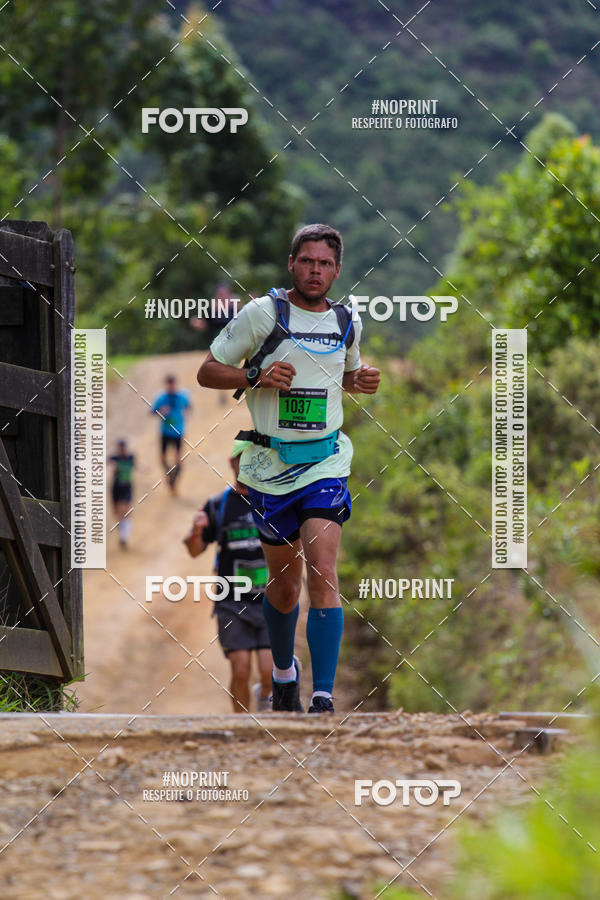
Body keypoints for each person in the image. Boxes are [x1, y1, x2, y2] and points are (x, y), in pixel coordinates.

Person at [197, 223, 380, 713]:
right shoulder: (263, 314)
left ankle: (322, 697)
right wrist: (255, 375)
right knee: (284, 585)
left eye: (324, 264)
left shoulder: (347, 321)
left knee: (322, 570)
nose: (315, 271)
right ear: (292, 264)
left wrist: (359, 380)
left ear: (337, 270)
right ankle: (283, 676)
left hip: (325, 462)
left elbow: (344, 374)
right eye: (307, 261)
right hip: (268, 466)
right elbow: (208, 371)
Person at [183, 440, 274, 713]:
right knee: (241, 668)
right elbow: (195, 551)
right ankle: (242, 724)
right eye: (241, 460)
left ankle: (265, 705)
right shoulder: (218, 505)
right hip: (231, 602)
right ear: (231, 463)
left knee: (269, 671)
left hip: (269, 601)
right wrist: (196, 532)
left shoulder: (273, 501)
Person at [151, 374, 191, 495]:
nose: (171, 386)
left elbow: (189, 407)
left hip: (178, 431)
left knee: (178, 459)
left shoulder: (182, 395)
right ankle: (169, 476)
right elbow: (152, 411)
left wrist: (185, 416)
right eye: (169, 384)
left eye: (172, 384)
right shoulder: (161, 397)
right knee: (162, 459)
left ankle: (174, 482)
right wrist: (160, 411)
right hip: (165, 432)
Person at [108, 438, 136, 549]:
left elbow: (136, 464)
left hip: (127, 488)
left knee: (125, 511)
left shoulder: (130, 457)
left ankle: (124, 536)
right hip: (116, 488)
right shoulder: (114, 458)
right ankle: (123, 534)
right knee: (117, 513)